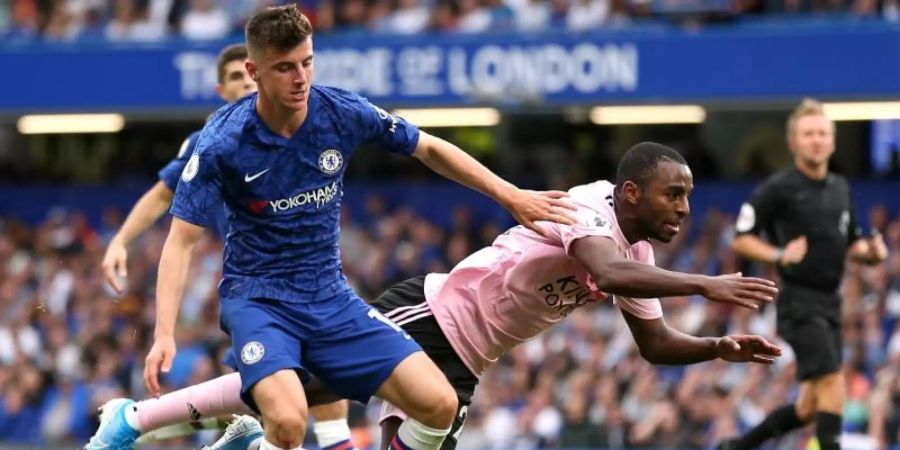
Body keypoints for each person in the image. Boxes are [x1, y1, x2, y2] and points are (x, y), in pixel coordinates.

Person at [107, 142, 783, 450]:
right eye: (676, 193)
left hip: (466, 364)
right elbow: (604, 274)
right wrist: (706, 282)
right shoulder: (587, 211)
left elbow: (657, 342)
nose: (686, 208)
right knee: (298, 390)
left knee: (298, 398)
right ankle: (135, 421)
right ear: (632, 191)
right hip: (430, 316)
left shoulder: (640, 255)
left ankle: (177, 428)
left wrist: (715, 347)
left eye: (691, 195)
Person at [145, 4, 575, 450]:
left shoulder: (339, 112)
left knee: (439, 404)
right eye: (285, 67)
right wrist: (163, 334)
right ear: (254, 71)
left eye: (307, 63)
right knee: (290, 424)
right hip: (259, 300)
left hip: (329, 297)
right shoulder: (223, 143)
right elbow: (180, 243)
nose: (300, 79)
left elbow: (427, 148)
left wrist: (510, 195)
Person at [87, 43, 360, 450]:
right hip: (259, 294)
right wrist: (122, 241)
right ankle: (137, 420)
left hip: (314, 285)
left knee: (312, 401)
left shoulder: (303, 124)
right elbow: (164, 195)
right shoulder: (213, 142)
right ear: (221, 90)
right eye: (235, 78)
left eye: (250, 74)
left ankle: (160, 424)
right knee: (297, 404)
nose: (247, 83)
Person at [717, 99, 888, 450]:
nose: (816, 140)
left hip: (830, 304)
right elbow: (742, 237)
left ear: (833, 141)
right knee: (834, 387)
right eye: (808, 133)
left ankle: (736, 447)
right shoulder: (779, 188)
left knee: (810, 406)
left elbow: (852, 243)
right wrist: (779, 253)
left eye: (823, 133)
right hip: (798, 302)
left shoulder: (840, 189)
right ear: (794, 142)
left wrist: (872, 253)